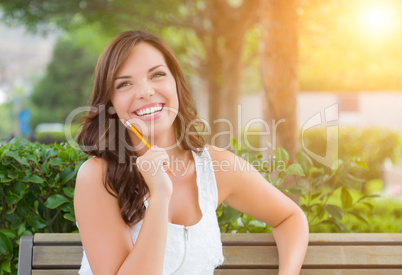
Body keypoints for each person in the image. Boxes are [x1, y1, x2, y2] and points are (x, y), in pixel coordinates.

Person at [74, 30, 309, 275]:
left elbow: (289, 218)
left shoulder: (217, 166)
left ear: (176, 82)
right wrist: (160, 194)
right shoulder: (98, 177)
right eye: (124, 84)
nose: (145, 91)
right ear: (111, 102)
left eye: (157, 75)